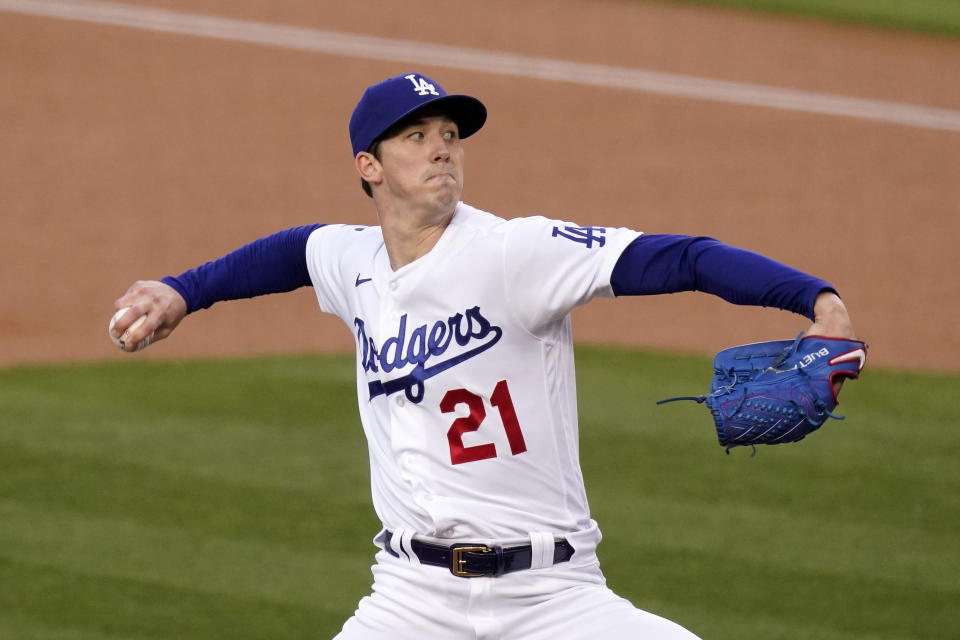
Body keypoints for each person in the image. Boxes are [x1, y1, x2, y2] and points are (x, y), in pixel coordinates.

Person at [111, 72, 857, 639]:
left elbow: (681, 257)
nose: (441, 146)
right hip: (410, 599)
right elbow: (291, 253)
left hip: (553, 599)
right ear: (369, 167)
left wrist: (817, 302)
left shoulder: (514, 252)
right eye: (417, 136)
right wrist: (182, 292)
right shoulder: (355, 260)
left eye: (450, 134)